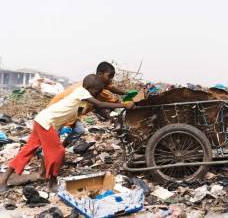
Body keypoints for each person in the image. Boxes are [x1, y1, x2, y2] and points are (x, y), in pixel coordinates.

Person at [0, 74, 134, 192]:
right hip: (47, 123)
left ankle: (4, 179)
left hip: (41, 119)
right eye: (97, 92)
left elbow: (96, 108)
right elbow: (99, 104)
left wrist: (111, 117)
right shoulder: (82, 92)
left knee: (28, 150)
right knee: (58, 152)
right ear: (92, 90)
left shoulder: (82, 96)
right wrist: (124, 105)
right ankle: (51, 183)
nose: (97, 94)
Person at [47, 61, 127, 146]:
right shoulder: (95, 88)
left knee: (79, 130)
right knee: (51, 141)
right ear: (100, 74)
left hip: (70, 114)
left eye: (112, 77)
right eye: (109, 76)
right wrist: (124, 105)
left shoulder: (94, 84)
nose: (111, 80)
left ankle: (60, 148)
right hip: (58, 113)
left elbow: (110, 90)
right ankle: (48, 152)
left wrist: (126, 94)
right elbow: (101, 104)